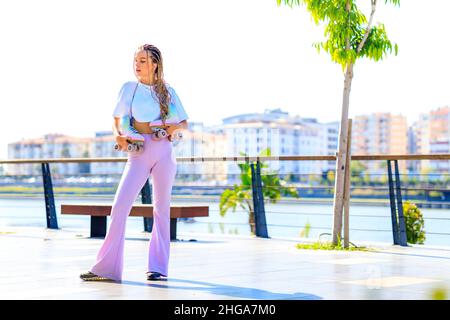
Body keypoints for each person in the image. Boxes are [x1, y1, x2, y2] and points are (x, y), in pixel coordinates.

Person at [80, 44, 189, 282]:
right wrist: (118, 135)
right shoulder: (129, 88)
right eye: (135, 60)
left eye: (142, 60)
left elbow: (184, 124)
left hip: (164, 152)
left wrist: (172, 128)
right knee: (119, 207)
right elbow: (117, 119)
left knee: (162, 210)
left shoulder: (168, 91)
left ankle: (158, 268)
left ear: (155, 64)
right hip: (138, 152)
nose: (137, 65)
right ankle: (105, 268)